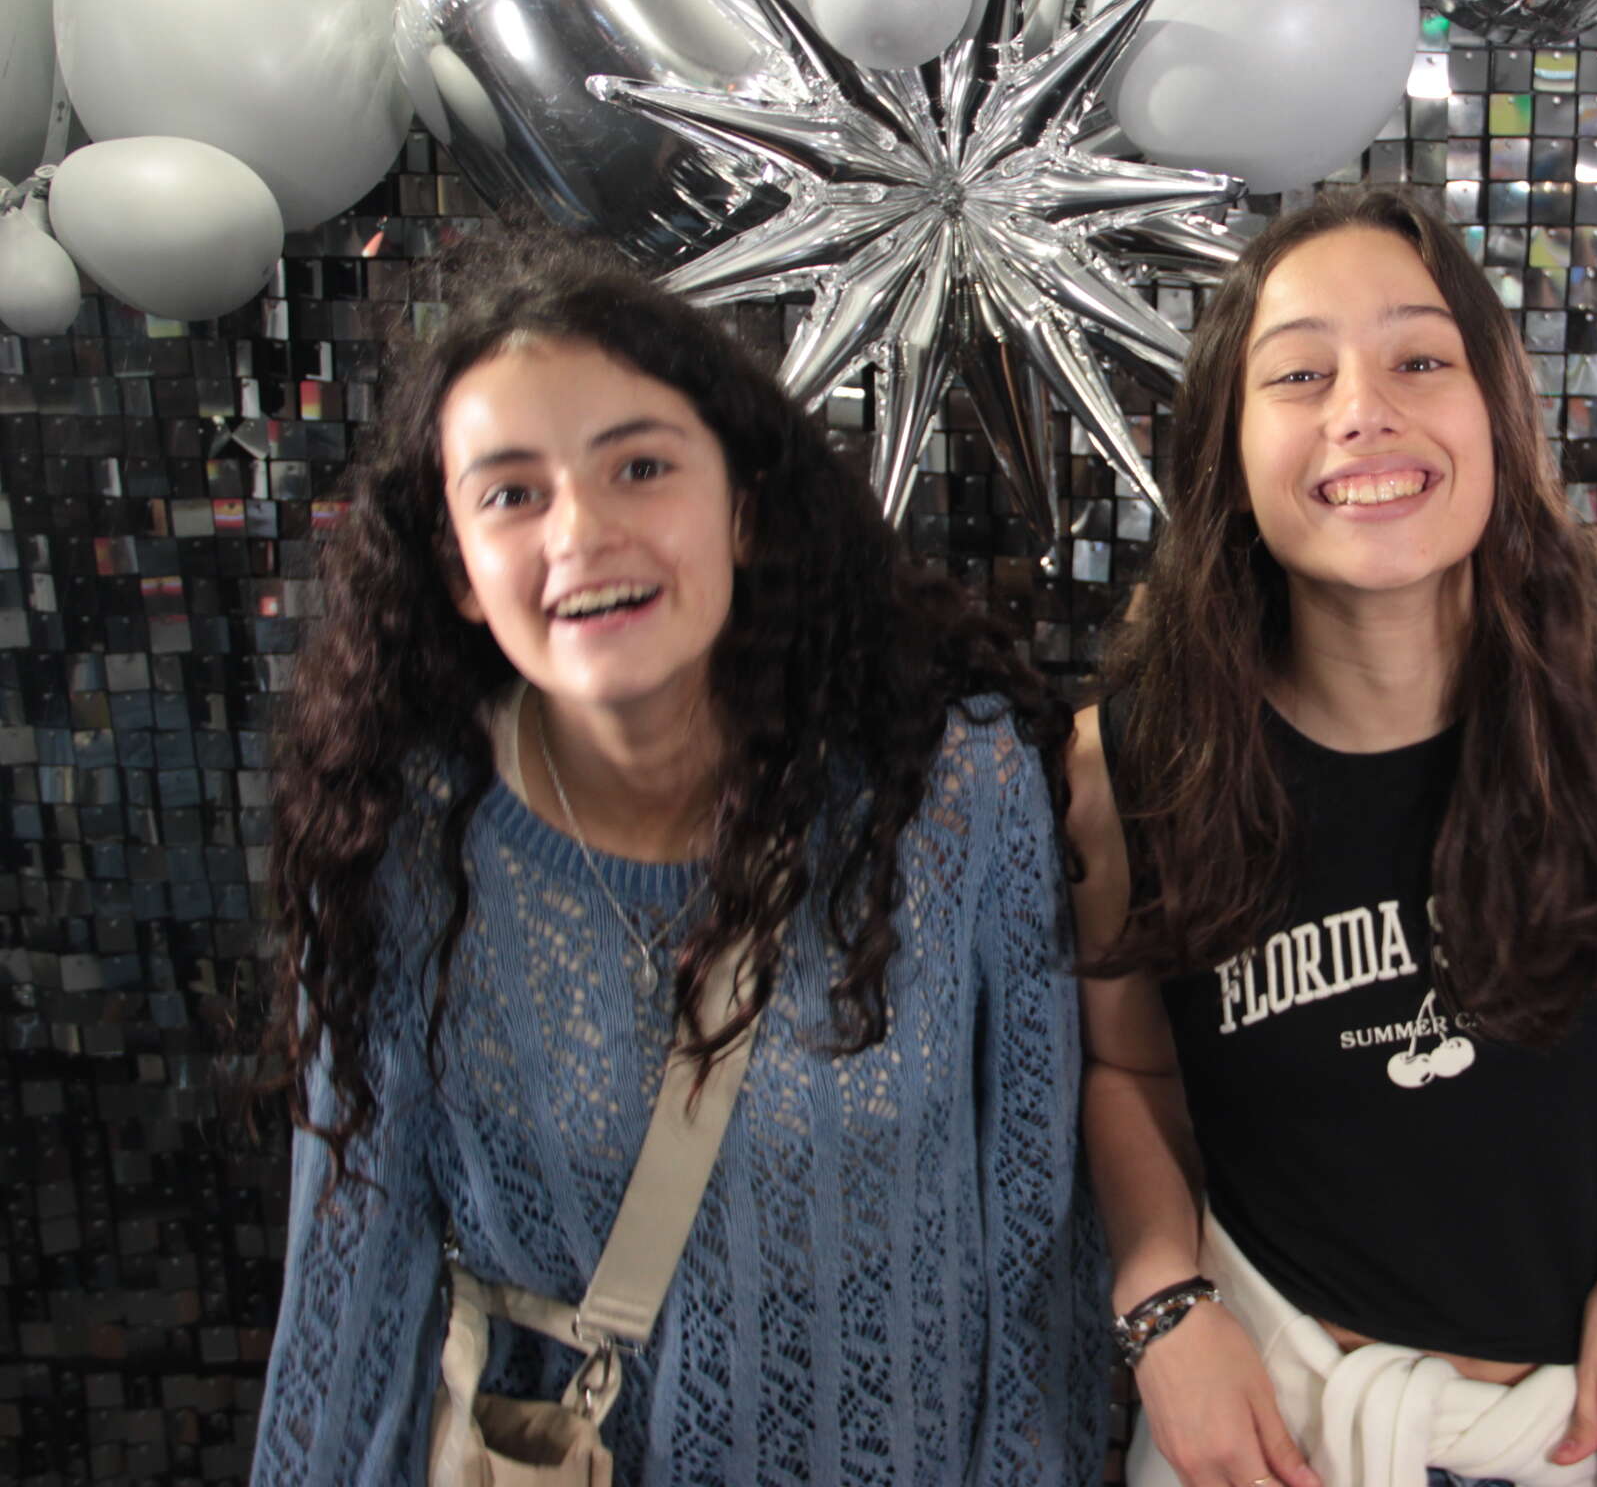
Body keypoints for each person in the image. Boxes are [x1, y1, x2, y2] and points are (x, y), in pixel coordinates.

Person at [250, 229, 1103, 1485]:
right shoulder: (406, 838)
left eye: (640, 467)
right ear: (459, 570)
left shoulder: (952, 793)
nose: (581, 534)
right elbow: (349, 1293)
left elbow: (1037, 1234)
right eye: (511, 494)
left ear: (743, 508)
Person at [1068, 186, 1597, 1487]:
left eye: (1421, 360)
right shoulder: (1131, 758)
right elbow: (1131, 1073)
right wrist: (1162, 1307)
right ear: (1229, 447)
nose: (1362, 410)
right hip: (1280, 1428)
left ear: (1498, 409)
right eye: (1298, 374)